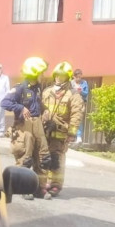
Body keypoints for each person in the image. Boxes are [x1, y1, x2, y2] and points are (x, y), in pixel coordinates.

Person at [1, 57, 50, 199]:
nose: (43, 75)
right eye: (41, 72)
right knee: (25, 156)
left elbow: (37, 104)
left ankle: (40, 188)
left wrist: (45, 110)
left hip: (37, 124)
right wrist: (21, 108)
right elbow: (5, 103)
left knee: (42, 156)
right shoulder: (19, 88)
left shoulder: (38, 88)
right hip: (24, 126)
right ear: (35, 73)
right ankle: (24, 189)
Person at [41, 61, 85, 199]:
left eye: (63, 75)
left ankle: (55, 184)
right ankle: (43, 183)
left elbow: (76, 114)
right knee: (44, 157)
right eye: (57, 75)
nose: (59, 78)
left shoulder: (73, 94)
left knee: (57, 158)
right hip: (46, 131)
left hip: (61, 133)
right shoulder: (47, 91)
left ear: (68, 77)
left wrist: (72, 133)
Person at [71, 69, 89, 143]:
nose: (79, 79)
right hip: (72, 103)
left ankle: (78, 136)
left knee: (79, 119)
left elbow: (86, 93)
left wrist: (81, 91)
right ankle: (72, 135)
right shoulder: (71, 83)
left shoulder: (84, 83)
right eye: (77, 77)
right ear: (74, 77)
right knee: (71, 119)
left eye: (80, 77)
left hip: (81, 103)